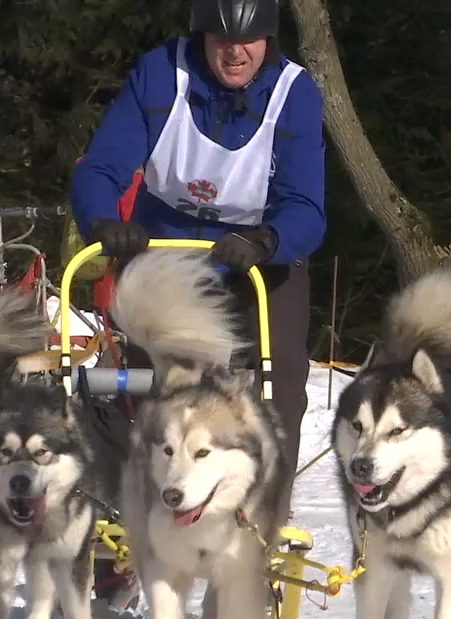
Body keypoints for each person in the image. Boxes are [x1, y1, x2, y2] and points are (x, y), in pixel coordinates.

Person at [70, 0, 326, 469]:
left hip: (257, 258)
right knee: (160, 385)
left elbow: (306, 206)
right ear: (201, 38)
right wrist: (104, 222)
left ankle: (264, 500)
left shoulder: (294, 94)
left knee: (280, 373)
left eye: (247, 41)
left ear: (267, 40)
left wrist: (267, 241)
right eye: (222, 41)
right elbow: (102, 166)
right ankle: (151, 489)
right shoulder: (160, 74)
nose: (234, 53)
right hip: (166, 253)